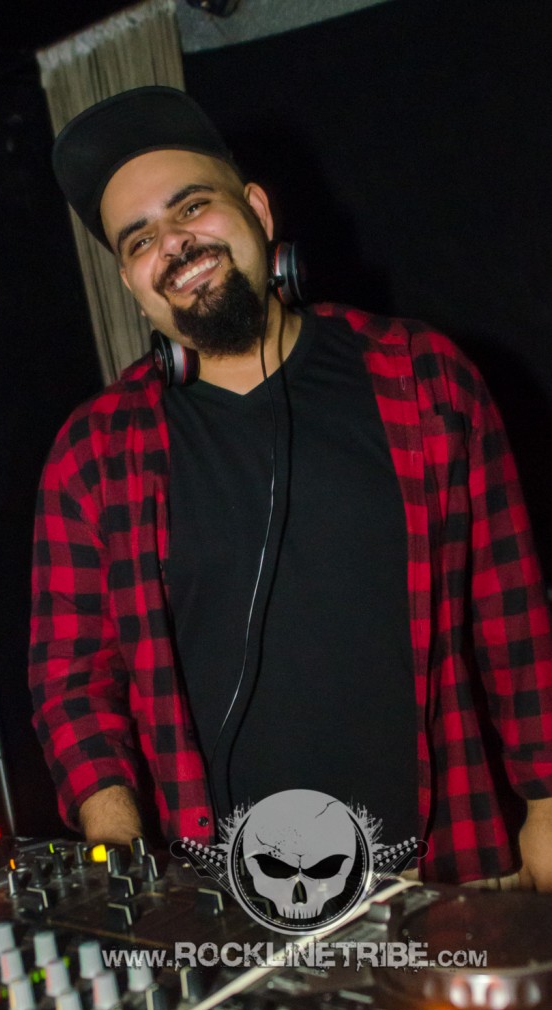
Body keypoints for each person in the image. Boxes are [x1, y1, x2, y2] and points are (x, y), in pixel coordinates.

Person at [29, 86, 552, 889]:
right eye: (140, 240)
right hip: (226, 898)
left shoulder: (424, 378)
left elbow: (509, 610)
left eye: (192, 206)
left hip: (443, 865)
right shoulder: (93, 452)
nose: (174, 243)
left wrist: (546, 803)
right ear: (133, 283)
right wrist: (120, 845)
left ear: (259, 210)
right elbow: (71, 681)